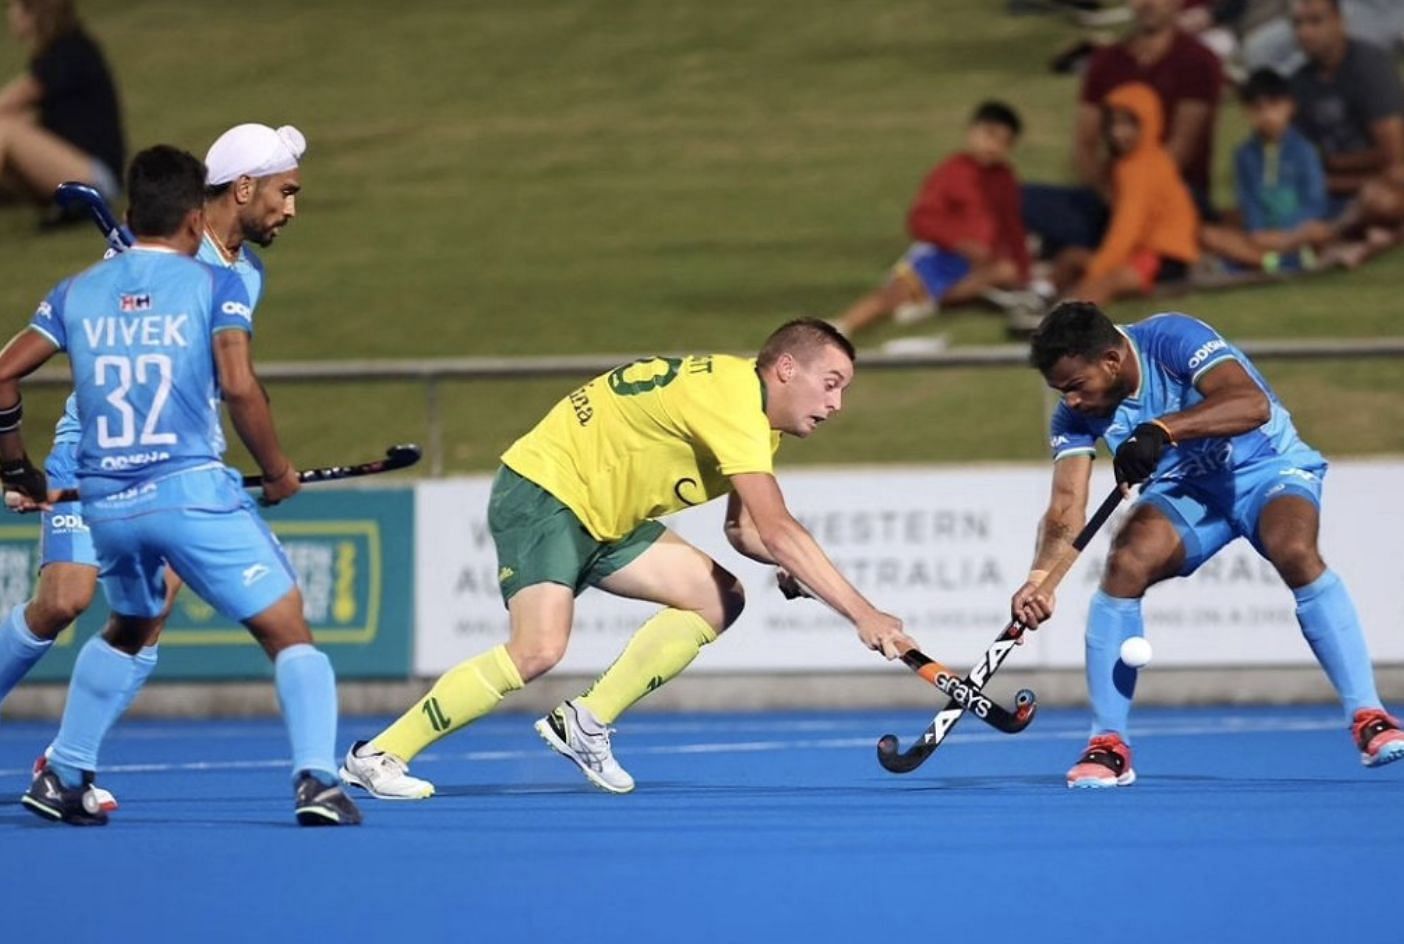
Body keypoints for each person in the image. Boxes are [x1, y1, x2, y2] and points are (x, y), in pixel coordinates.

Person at [340, 320, 917, 799]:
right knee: (538, 648)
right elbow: (777, 526)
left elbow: (745, 531)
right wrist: (861, 612)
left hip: (606, 518)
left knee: (719, 597)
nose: (837, 404)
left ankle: (585, 722)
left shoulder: (755, 419)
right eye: (832, 383)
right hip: (548, 493)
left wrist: (792, 568)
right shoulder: (733, 399)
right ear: (786, 369)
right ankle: (378, 755)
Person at [0, 144, 358, 826]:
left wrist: (13, 465)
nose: (291, 209)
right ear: (218, 202)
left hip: (109, 486)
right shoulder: (211, 285)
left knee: (139, 616)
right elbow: (238, 385)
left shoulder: (99, 286)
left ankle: (65, 769)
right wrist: (278, 470)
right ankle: (317, 779)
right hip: (151, 471)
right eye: (285, 191)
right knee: (280, 625)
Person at [1012, 301, 1404, 787]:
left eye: (1075, 387)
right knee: (1125, 564)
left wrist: (1161, 429)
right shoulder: (1074, 416)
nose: (1070, 402)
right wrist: (1040, 580)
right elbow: (1066, 507)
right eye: (1060, 391)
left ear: (1111, 360)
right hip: (1189, 492)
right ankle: (1108, 742)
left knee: (1294, 550)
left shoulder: (1172, 339)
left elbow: (1249, 403)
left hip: (1266, 469)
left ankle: (1369, 717)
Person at [1023, 0, 1222, 258]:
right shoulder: (1107, 61)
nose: (1149, 4)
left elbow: (1182, 146)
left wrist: (1136, 196)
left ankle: (1080, 246)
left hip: (1172, 195)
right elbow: (1084, 144)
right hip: (1111, 195)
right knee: (1015, 197)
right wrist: (1108, 193)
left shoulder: (1198, 61)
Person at [831, 102, 1032, 339]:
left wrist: (1023, 270)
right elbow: (921, 220)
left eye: (1003, 142)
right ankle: (841, 327)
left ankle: (931, 301)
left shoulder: (1005, 178)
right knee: (893, 294)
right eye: (989, 136)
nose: (993, 146)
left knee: (1006, 272)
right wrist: (960, 243)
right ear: (972, 132)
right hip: (942, 254)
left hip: (980, 262)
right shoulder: (951, 172)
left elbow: (1012, 224)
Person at [1046, 83, 1200, 307]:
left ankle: (1066, 325)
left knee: (1104, 282)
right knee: (1072, 258)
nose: (1118, 134)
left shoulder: (1143, 168)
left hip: (1162, 257)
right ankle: (1040, 295)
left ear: (1148, 122)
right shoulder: (1131, 163)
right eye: (1113, 125)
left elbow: (1127, 228)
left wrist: (1099, 267)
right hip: (1142, 251)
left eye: (1128, 124)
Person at [0, 0, 124, 221]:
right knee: (14, 124)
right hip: (83, 173)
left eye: (14, 7)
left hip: (97, 180)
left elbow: (7, 102)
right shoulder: (62, 53)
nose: (10, 15)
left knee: (5, 129)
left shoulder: (68, 52)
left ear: (34, 13)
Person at [1200, 68, 1330, 271]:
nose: (1267, 115)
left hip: (1298, 234)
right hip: (1261, 238)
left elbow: (1315, 203)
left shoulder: (1305, 150)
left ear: (1290, 106)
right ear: (1246, 112)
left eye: (1274, 106)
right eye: (1257, 108)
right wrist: (1259, 232)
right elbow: (1248, 200)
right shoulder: (1244, 155)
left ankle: (1271, 260)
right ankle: (1271, 262)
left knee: (1318, 232)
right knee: (1207, 234)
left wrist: (1285, 234)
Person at [1288, 0, 1404, 221]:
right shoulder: (1298, 83)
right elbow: (1299, 159)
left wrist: (1333, 166)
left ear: (1339, 22)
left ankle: (1340, 234)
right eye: (1297, 24)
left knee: (1381, 198)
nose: (1304, 33)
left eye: (1315, 21)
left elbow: (1393, 158)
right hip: (1335, 189)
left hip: (1382, 183)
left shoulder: (1369, 68)